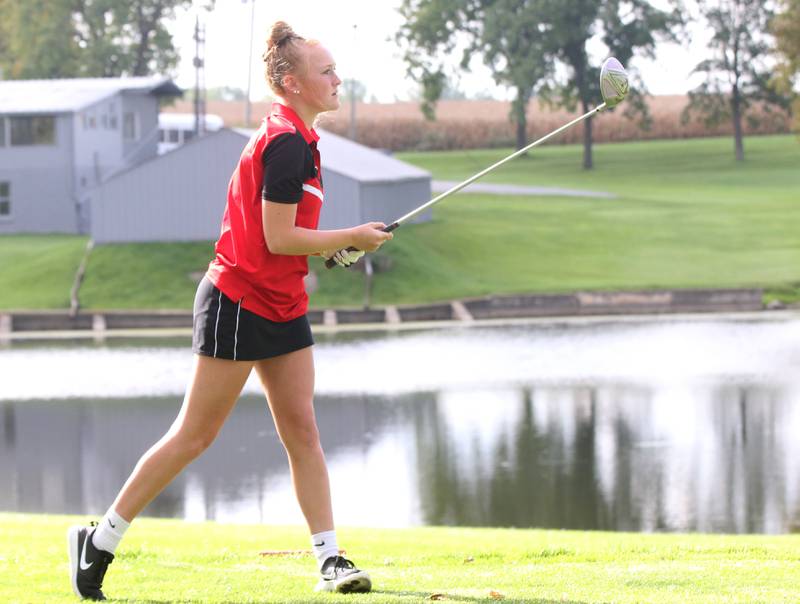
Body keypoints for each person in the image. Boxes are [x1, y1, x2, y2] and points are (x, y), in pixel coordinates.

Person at [67, 21, 392, 601]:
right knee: (195, 435)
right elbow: (278, 237)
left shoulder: (301, 138)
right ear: (292, 83)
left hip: (283, 302)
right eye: (327, 71)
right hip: (238, 302)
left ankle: (330, 560)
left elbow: (292, 241)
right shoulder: (286, 140)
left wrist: (338, 248)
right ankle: (99, 541)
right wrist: (353, 237)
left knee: (304, 431)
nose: (338, 79)